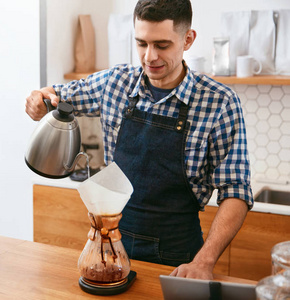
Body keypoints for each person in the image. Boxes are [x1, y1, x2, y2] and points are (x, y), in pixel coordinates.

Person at [25, 0, 253, 280]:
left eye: (162, 45)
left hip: (179, 257)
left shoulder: (219, 102)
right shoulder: (115, 82)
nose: (149, 56)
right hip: (111, 246)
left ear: (188, 39)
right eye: (141, 43)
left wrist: (204, 261)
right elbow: (55, 95)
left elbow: (236, 191)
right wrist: (39, 100)